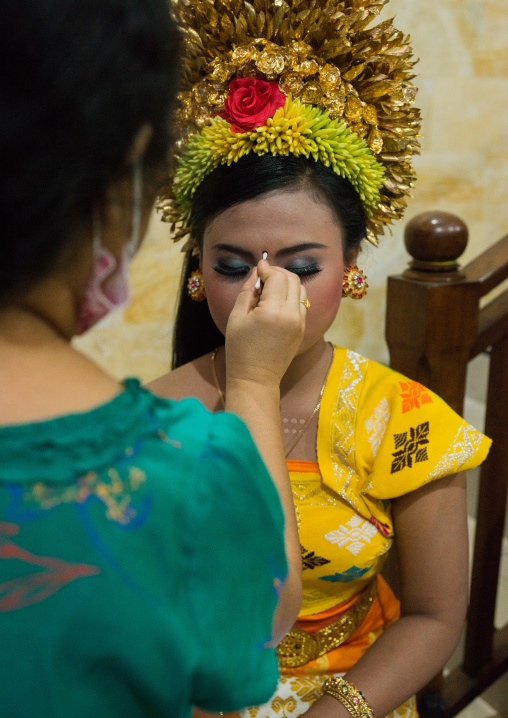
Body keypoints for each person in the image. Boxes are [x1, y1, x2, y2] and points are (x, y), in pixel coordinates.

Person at [150, 1, 492, 716]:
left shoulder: (404, 421)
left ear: (351, 269)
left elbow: (434, 616)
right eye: (232, 264)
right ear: (196, 270)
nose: (264, 290)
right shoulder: (150, 417)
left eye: (301, 266)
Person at [0, 1, 307, 716]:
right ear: (121, 188)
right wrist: (255, 381)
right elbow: (266, 605)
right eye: (231, 263)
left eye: (301, 265)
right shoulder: (184, 467)